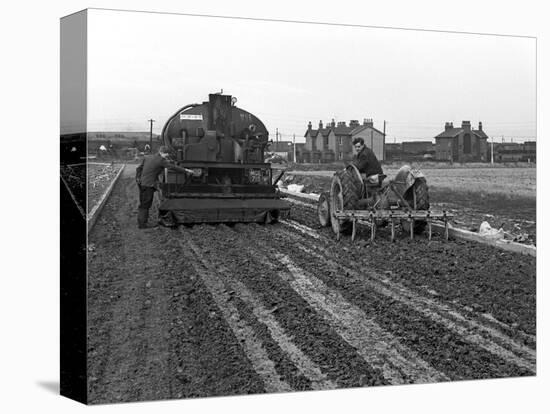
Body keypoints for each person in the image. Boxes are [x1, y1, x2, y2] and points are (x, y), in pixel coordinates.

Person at [135, 146, 195, 229]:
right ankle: (142, 225)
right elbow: (172, 167)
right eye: (167, 154)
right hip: (148, 185)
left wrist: (138, 178)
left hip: (142, 183)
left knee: (143, 203)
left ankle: (141, 222)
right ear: (164, 153)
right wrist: (186, 170)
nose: (167, 156)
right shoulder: (161, 160)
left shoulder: (149, 157)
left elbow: (138, 168)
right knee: (146, 204)